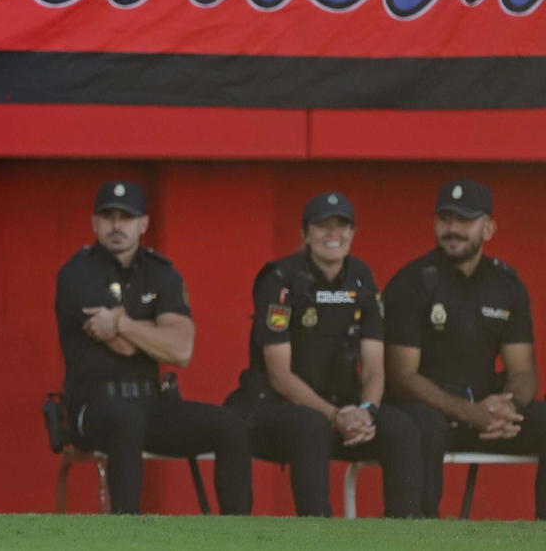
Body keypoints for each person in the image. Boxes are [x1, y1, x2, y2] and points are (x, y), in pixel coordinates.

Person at [55, 181, 252, 515]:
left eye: (126, 217)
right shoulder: (78, 272)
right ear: (94, 222)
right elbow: (124, 348)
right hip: (94, 405)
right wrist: (153, 335)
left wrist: (121, 322)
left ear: (143, 224)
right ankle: (127, 531)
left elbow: (180, 350)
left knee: (229, 424)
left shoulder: (161, 272)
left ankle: (238, 534)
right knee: (126, 419)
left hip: (151, 403)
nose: (117, 225)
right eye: (109, 216)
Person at [223, 192, 421, 517]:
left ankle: (406, 533)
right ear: (305, 234)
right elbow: (279, 375)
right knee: (312, 426)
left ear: (353, 233)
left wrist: (367, 412)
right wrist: (334, 416)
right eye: (322, 226)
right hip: (275, 407)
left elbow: (374, 366)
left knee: (402, 427)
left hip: (343, 409)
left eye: (341, 226)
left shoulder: (362, 278)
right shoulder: (280, 280)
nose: (333, 235)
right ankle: (317, 533)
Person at [383, 179, 546, 520]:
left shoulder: (508, 286)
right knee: (422, 425)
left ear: (489, 228)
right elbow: (401, 377)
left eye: (464, 220)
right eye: (445, 219)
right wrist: (469, 413)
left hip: (488, 415)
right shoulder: (410, 282)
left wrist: (511, 406)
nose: (452, 229)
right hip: (429, 411)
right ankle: (419, 536)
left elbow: (523, 371)